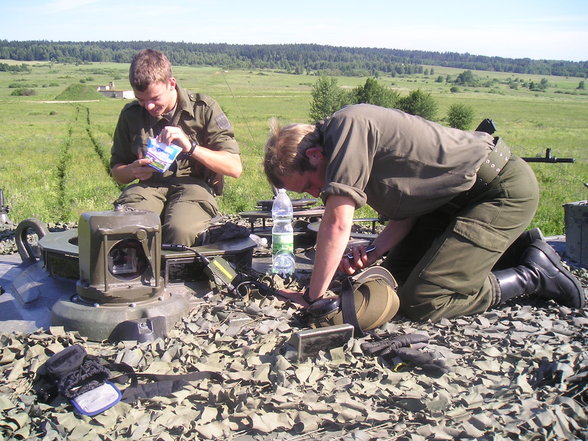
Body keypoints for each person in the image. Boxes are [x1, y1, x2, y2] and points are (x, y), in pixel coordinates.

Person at [263, 104, 585, 322]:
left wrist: (315, 297)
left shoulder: (348, 128)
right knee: (397, 281)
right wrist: (374, 251)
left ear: (316, 155)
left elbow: (336, 223)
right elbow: (409, 211)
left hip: (498, 192)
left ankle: (534, 274)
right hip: (449, 206)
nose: (314, 194)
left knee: (425, 300)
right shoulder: (344, 143)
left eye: (307, 185)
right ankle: (502, 252)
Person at [110, 49, 242, 246]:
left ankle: (180, 275)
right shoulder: (131, 115)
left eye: (155, 99)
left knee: (181, 231)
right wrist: (131, 170)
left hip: (194, 187)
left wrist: (191, 147)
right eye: (141, 100)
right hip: (148, 188)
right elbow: (117, 171)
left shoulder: (204, 109)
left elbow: (234, 168)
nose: (148, 107)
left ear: (171, 84)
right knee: (131, 227)